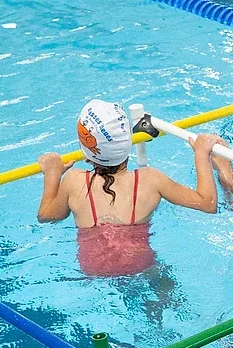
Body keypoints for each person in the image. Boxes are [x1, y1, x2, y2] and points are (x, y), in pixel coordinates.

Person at [37, 100, 220, 277]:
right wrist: (201, 153)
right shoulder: (150, 180)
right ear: (128, 143)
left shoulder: (74, 181)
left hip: (93, 269)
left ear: (86, 154)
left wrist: (52, 174)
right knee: (163, 281)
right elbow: (207, 203)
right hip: (140, 265)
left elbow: (47, 216)